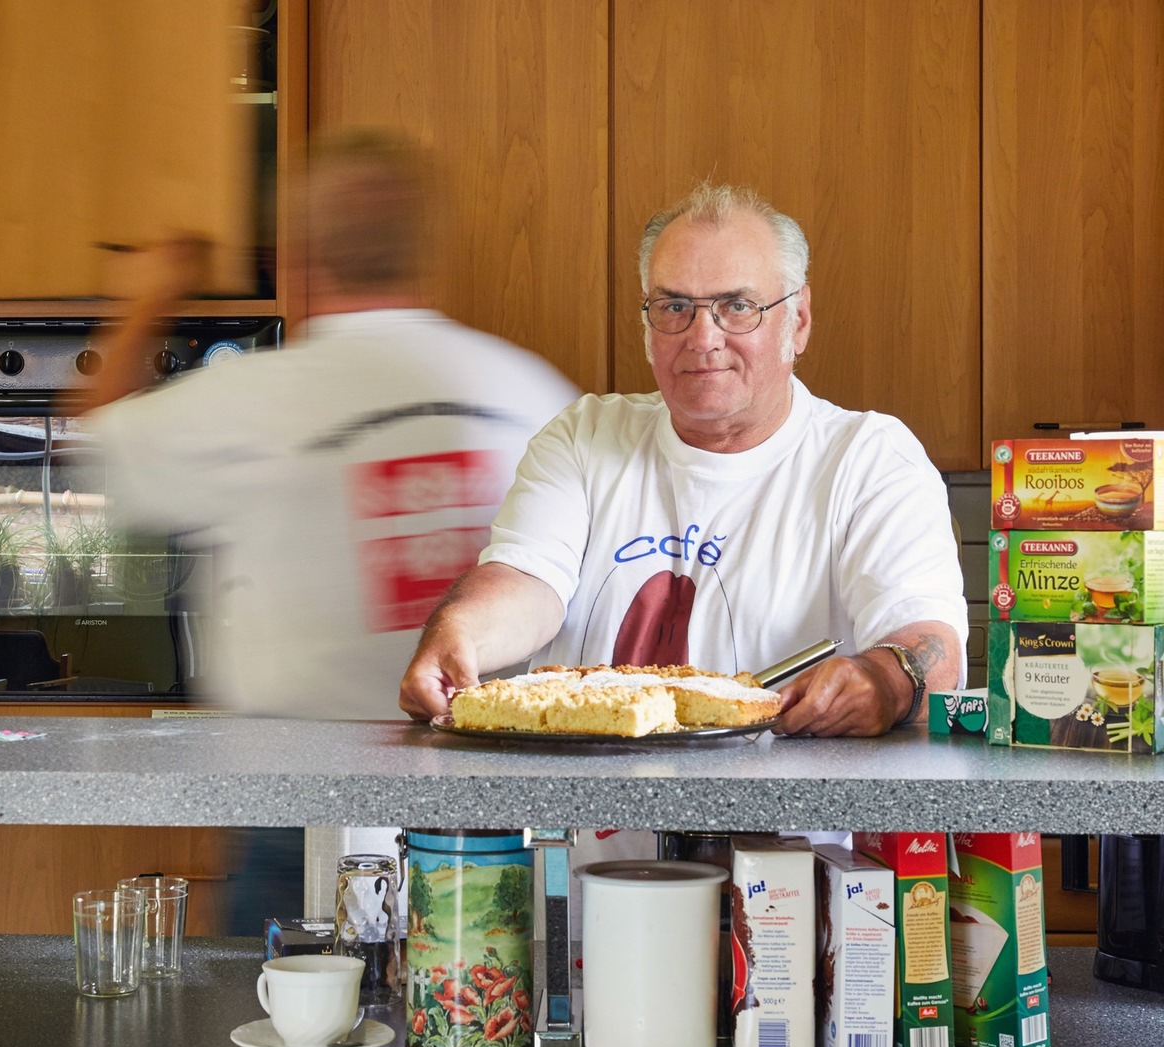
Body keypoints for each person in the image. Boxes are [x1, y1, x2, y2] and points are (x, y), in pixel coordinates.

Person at [400, 181, 967, 736]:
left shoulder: (868, 459)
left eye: (738, 306)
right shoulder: (585, 435)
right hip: (577, 826)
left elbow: (931, 648)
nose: (702, 337)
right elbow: (526, 582)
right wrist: (461, 633)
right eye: (674, 306)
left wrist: (883, 681)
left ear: (797, 322)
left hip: (780, 828)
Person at [86, 128, 579, 720]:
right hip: (486, 779)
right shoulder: (537, 395)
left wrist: (146, 297)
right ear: (427, 250)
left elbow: (98, 443)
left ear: (294, 257)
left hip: (292, 784)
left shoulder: (246, 399)